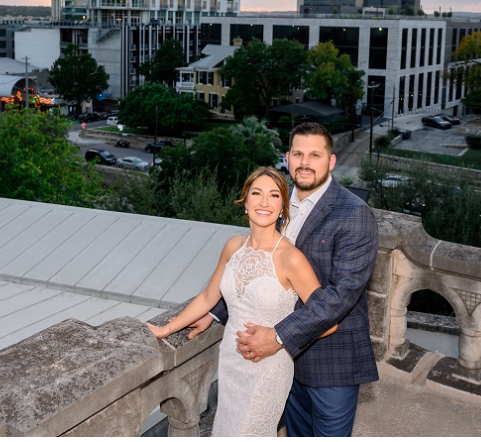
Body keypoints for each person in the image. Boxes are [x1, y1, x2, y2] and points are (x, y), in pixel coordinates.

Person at [188, 122, 379, 437]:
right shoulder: (276, 202)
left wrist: (276, 337)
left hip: (331, 360)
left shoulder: (354, 214)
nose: (305, 162)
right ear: (288, 158)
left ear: (331, 161)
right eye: (298, 154)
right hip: (285, 366)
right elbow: (257, 269)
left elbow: (339, 297)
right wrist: (215, 311)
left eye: (315, 155)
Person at [147, 166, 336, 437]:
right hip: (233, 361)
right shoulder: (232, 246)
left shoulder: (290, 258)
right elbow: (208, 297)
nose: (264, 202)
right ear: (245, 202)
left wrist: (279, 338)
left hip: (268, 368)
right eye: (256, 193)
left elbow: (327, 321)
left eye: (273, 195)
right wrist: (166, 330)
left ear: (283, 207)